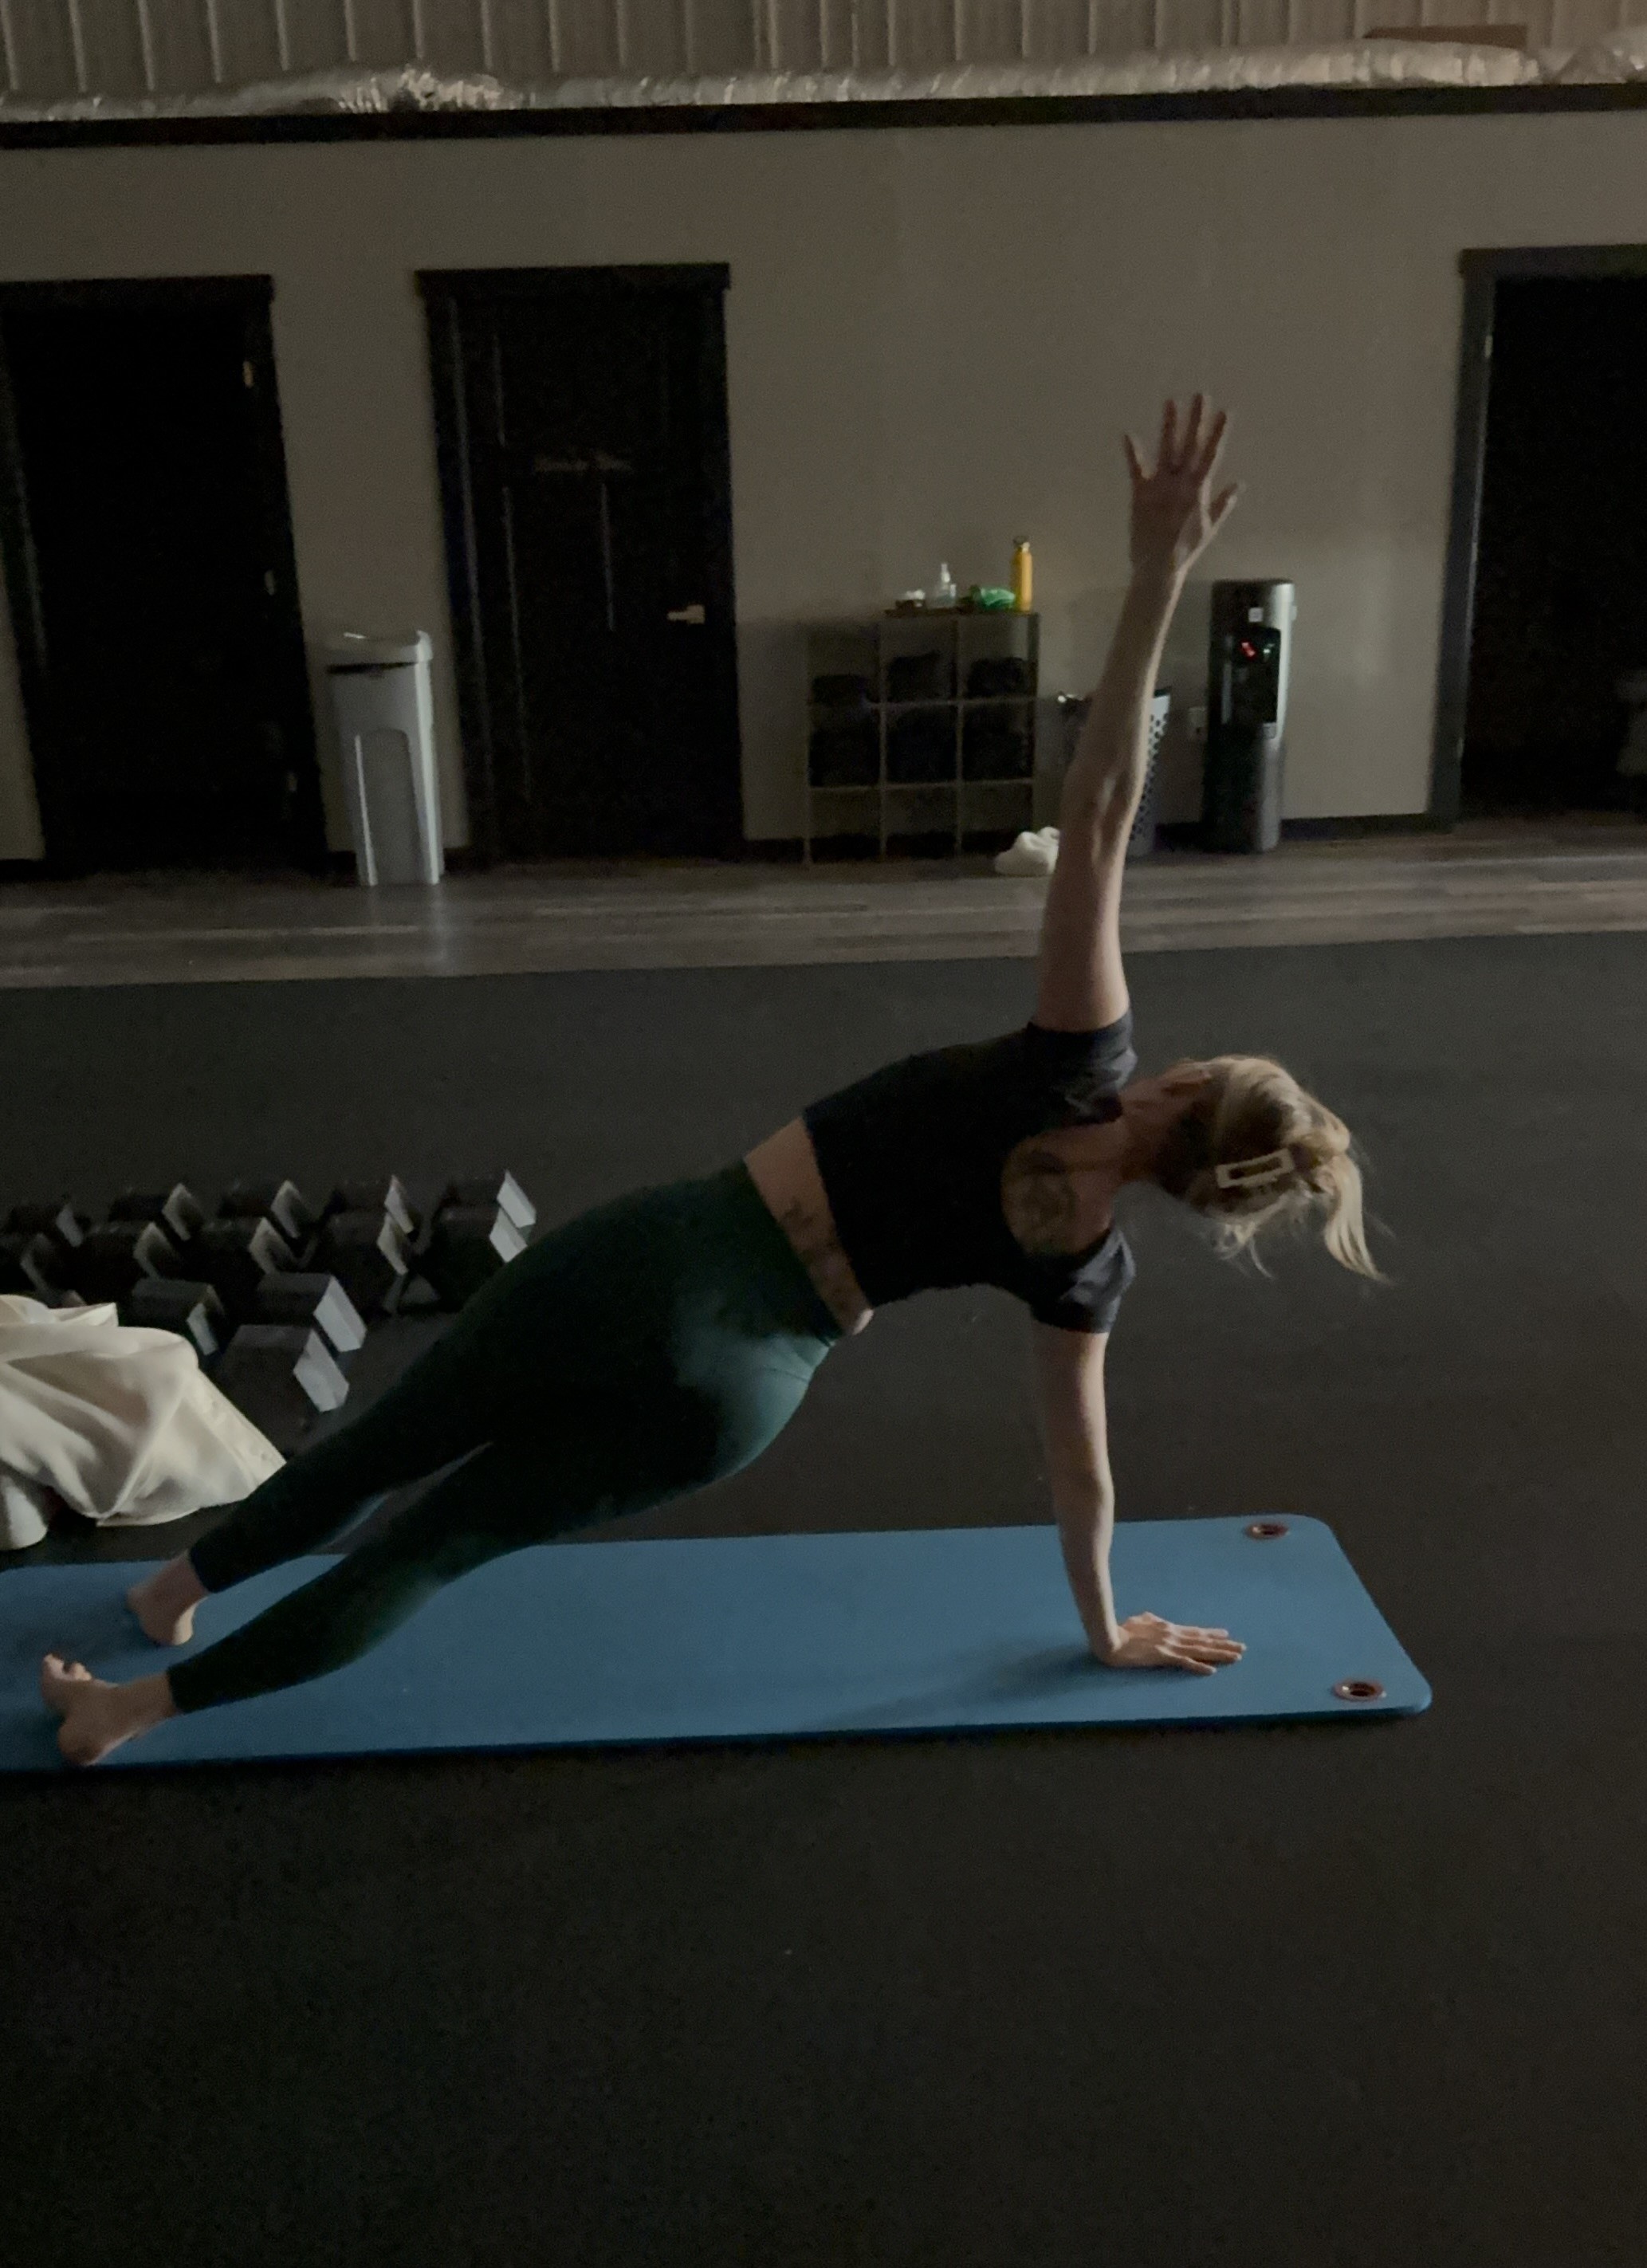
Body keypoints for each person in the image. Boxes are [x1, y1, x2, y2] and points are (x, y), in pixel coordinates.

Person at [41, 395, 1381, 1768]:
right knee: (443, 1547)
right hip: (749, 1387)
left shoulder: (1076, 1055)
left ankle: (160, 1622)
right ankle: (142, 1680)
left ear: (1194, 1080)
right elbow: (1079, 1469)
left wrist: (1156, 572)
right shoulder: (1088, 1270)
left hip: (671, 1251)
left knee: (387, 1446)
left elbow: (1097, 810)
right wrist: (1103, 1626)